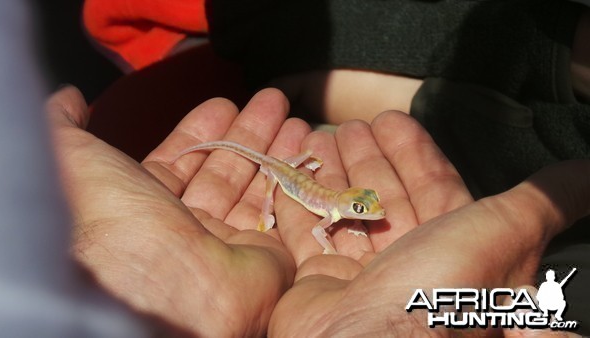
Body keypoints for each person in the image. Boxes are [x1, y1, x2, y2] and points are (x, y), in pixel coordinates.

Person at [50, 85, 589, 337]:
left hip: (298, 172)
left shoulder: (344, 210)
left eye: (366, 207)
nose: (371, 215)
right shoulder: (330, 216)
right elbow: (318, 223)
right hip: (284, 177)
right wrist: (317, 228)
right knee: (271, 186)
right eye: (364, 208)